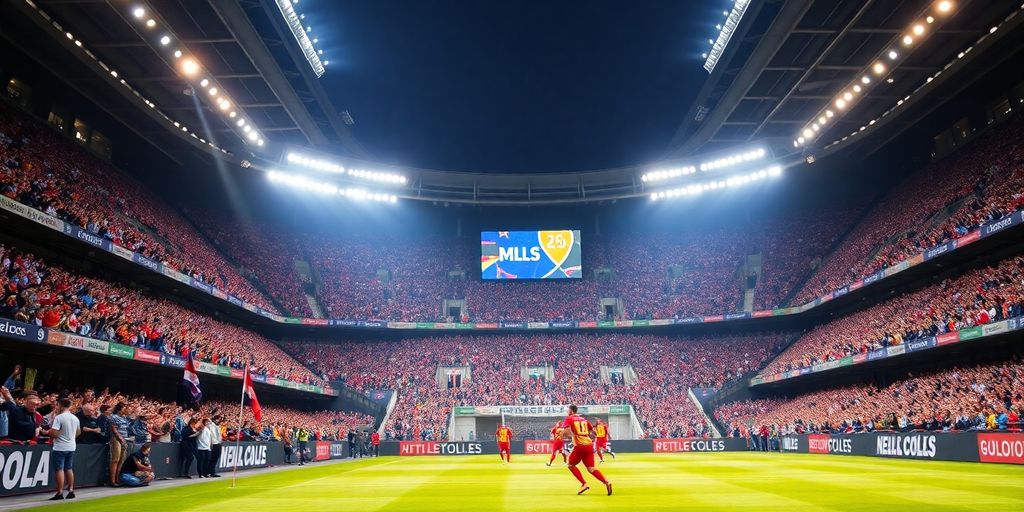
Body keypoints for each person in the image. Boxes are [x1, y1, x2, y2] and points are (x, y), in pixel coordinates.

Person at [561, 404, 612, 496]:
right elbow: (594, 431)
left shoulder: (569, 418)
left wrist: (567, 436)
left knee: (570, 465)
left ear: (571, 411)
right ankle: (606, 482)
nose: (567, 412)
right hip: (589, 445)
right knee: (591, 469)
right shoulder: (584, 419)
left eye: (568, 410)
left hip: (580, 445)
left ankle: (584, 484)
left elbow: (567, 431)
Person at [46, 398, 80, 501]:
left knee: (59, 469)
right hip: (71, 446)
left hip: (60, 447)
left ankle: (60, 492)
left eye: (57, 405)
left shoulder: (59, 417)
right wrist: (69, 436)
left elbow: (54, 433)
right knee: (68, 468)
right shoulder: (75, 418)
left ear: (60, 405)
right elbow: (78, 432)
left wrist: (46, 432)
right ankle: (71, 490)